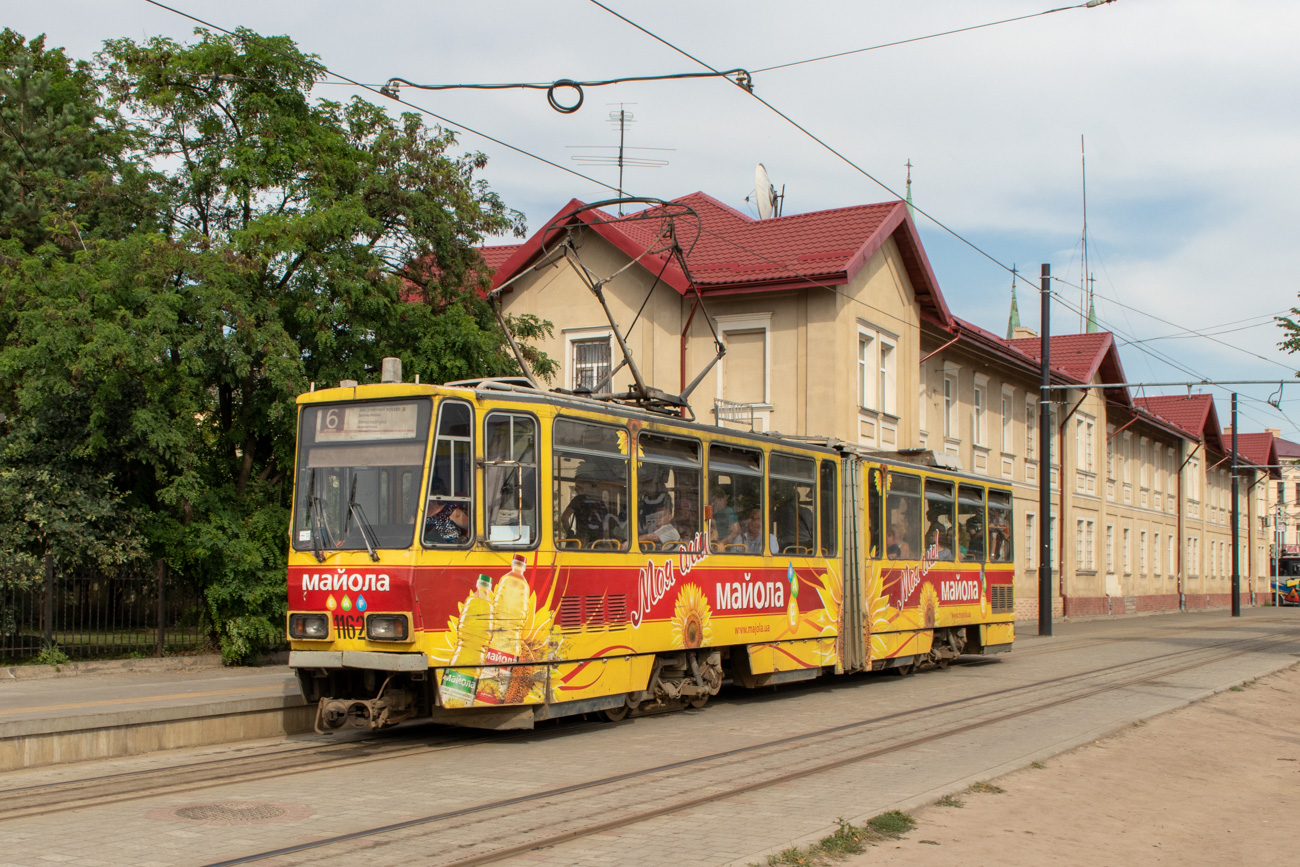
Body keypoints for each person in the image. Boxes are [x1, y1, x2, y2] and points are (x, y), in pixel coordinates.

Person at [561, 466, 612, 546]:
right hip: (598, 541)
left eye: (579, 486)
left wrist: (570, 534)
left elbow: (564, 518)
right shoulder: (601, 503)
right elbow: (606, 525)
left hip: (582, 541)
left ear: (588, 484)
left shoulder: (578, 500)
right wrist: (605, 541)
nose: (576, 489)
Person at [424, 478, 468, 544]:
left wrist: (464, 542)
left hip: (449, 549)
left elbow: (474, 528)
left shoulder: (451, 511)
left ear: (435, 492)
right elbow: (410, 531)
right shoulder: (420, 512)